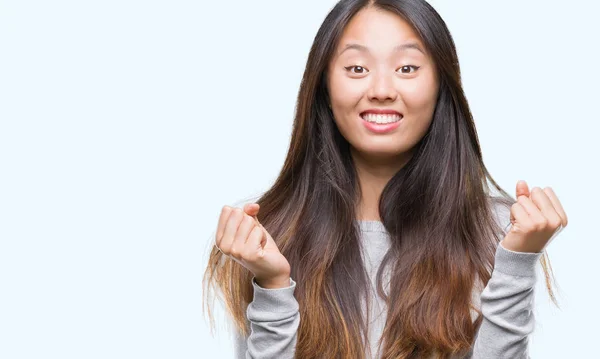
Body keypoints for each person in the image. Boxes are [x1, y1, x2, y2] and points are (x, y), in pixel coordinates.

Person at [202, 0, 568, 358]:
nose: (381, 90)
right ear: (325, 87)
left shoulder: (498, 230)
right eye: (357, 69)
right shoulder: (264, 235)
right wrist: (272, 284)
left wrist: (516, 261)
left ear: (442, 85)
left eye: (407, 68)